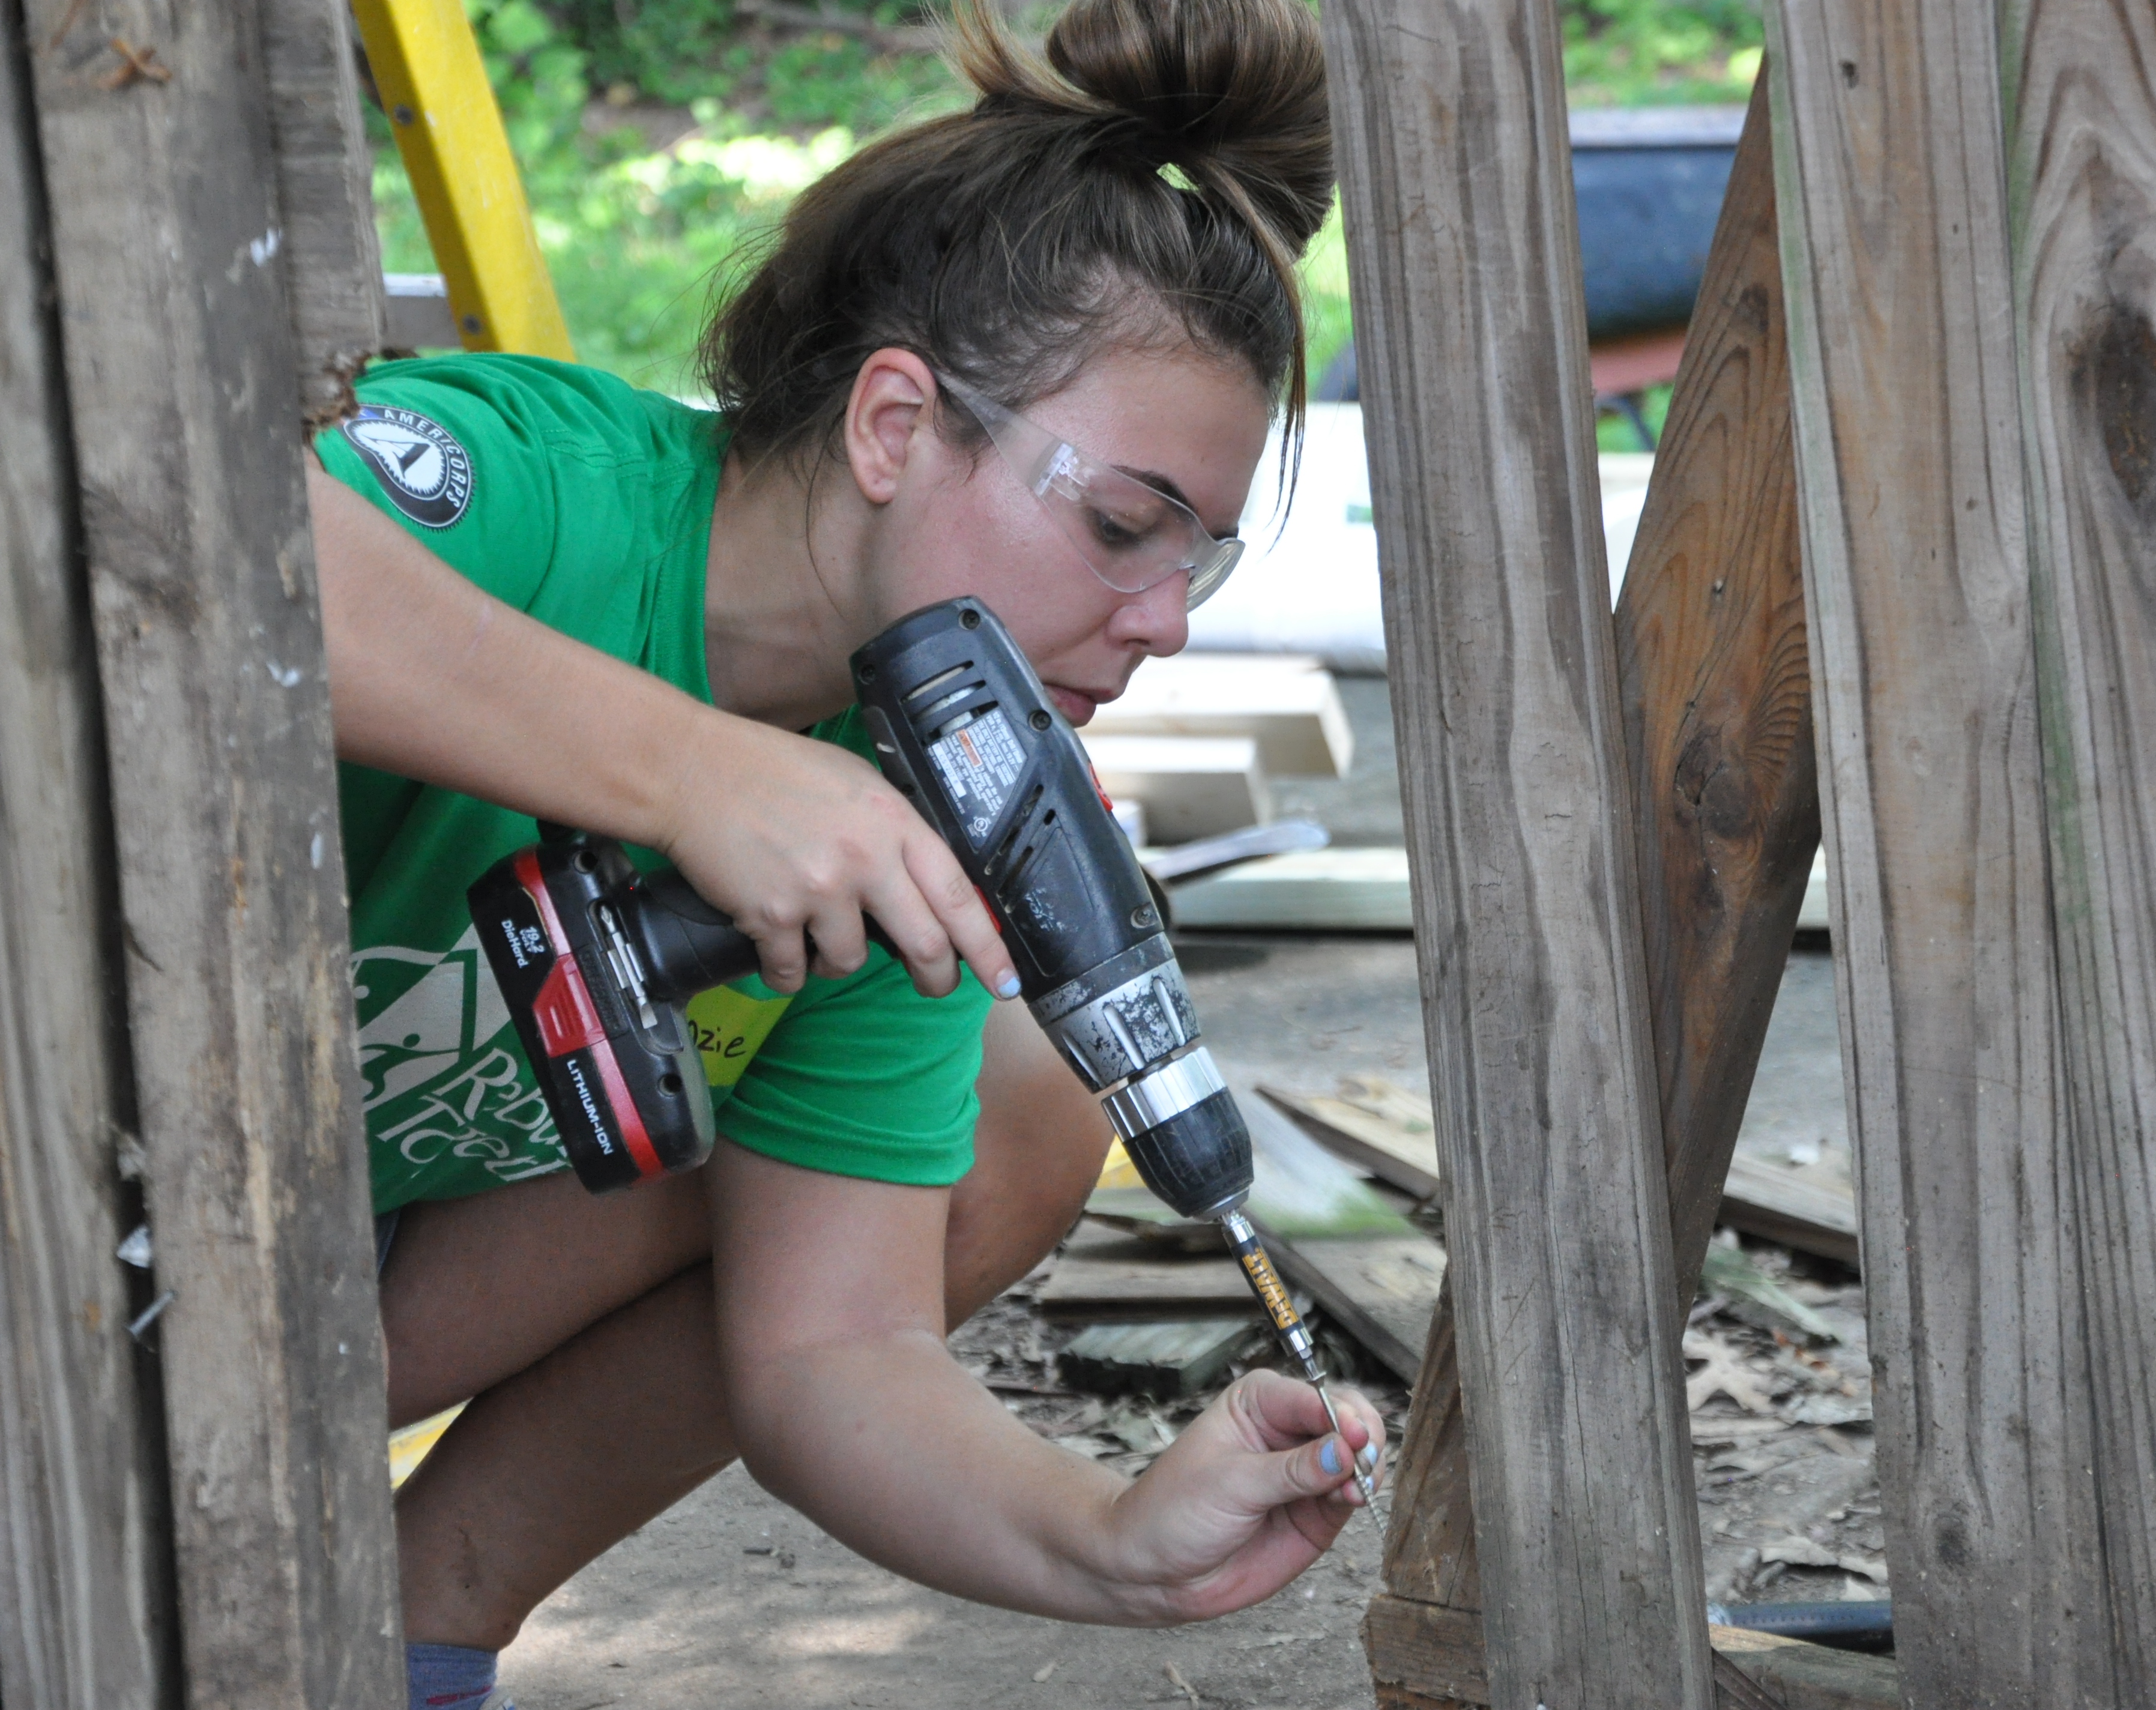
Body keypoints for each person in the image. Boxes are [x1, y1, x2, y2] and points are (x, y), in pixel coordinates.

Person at [312, 4, 1381, 1705]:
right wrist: (694, 775)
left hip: (305, 1301)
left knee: (1018, 1099)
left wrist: (1115, 1543)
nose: (1166, 620)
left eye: (1201, 562)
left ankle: (403, 1631)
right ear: (894, 426)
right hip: (80, 1209)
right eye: (1123, 526)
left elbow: (834, 1347)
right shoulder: (535, 495)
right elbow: (203, 541)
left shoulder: (919, 794)